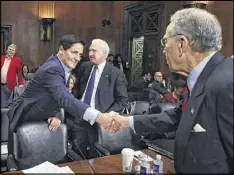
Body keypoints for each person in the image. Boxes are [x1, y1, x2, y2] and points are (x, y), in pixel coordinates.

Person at [111, 8, 233, 173]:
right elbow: (178, 117)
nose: (163, 50)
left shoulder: (227, 83)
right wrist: (127, 121)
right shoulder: (202, 77)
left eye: (165, 42)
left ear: (182, 44)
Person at [7, 35, 116, 156]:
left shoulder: (59, 65)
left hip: (40, 116)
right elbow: (64, 98)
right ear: (61, 50)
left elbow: (51, 95)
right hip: (25, 118)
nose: (77, 58)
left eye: (79, 54)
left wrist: (53, 115)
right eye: (74, 52)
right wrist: (98, 116)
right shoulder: (52, 68)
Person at [69, 39, 128, 158]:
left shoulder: (115, 73)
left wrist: (105, 116)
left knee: (94, 157)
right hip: (80, 118)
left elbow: (122, 101)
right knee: (77, 156)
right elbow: (78, 89)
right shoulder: (85, 67)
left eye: (94, 50)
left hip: (99, 123)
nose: (90, 53)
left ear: (105, 54)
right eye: (89, 50)